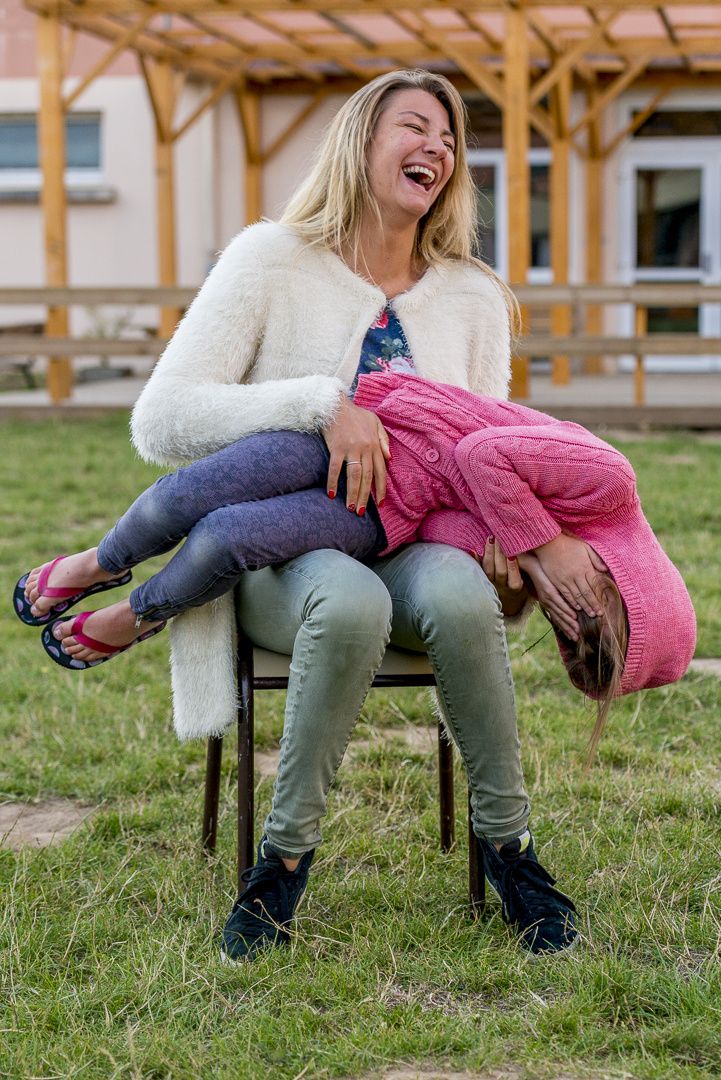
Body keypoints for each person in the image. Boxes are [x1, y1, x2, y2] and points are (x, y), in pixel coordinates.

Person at [17, 69, 596, 962]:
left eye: (449, 138)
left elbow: (488, 444)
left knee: (459, 597)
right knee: (349, 602)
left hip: (410, 537)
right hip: (276, 555)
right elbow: (161, 420)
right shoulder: (269, 259)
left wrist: (503, 540)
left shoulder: (474, 295)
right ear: (360, 142)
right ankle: (282, 861)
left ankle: (510, 848)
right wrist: (319, 405)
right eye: (415, 127)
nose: (437, 149)